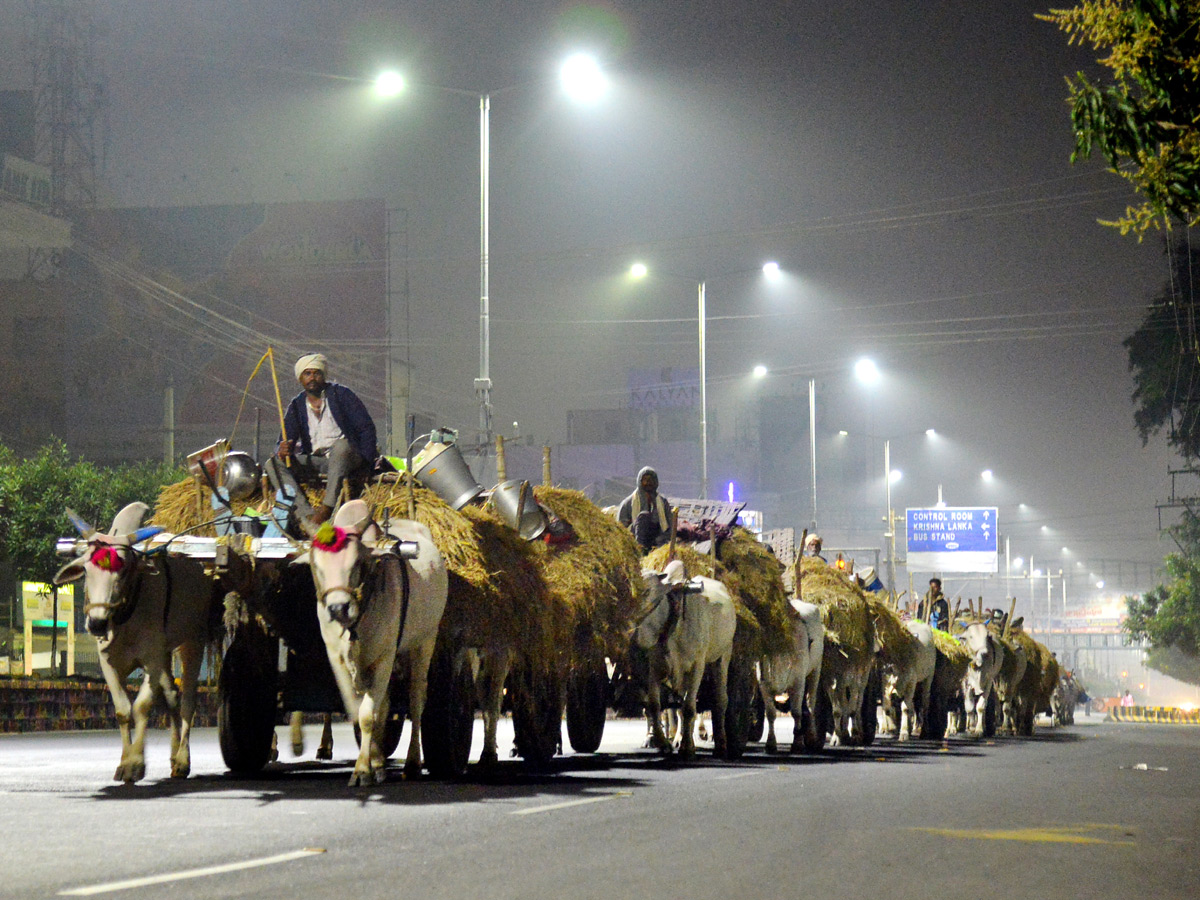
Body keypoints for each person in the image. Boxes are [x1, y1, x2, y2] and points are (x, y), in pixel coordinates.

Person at [267, 353, 377, 527]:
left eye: (316, 373)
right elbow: (284, 440)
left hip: (347, 458)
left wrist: (367, 464)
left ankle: (327, 508)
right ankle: (306, 515)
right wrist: (282, 450)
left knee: (341, 446)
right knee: (272, 463)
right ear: (300, 379)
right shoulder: (296, 406)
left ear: (323, 376)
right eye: (307, 373)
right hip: (320, 461)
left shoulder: (342, 395)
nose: (312, 378)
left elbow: (367, 430)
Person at [618, 466, 671, 554]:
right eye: (645, 479)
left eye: (651, 479)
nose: (648, 482)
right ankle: (641, 550)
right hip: (635, 538)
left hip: (657, 541)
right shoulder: (628, 503)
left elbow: (669, 525)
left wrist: (660, 542)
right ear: (640, 481)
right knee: (644, 516)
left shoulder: (663, 503)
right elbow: (621, 527)